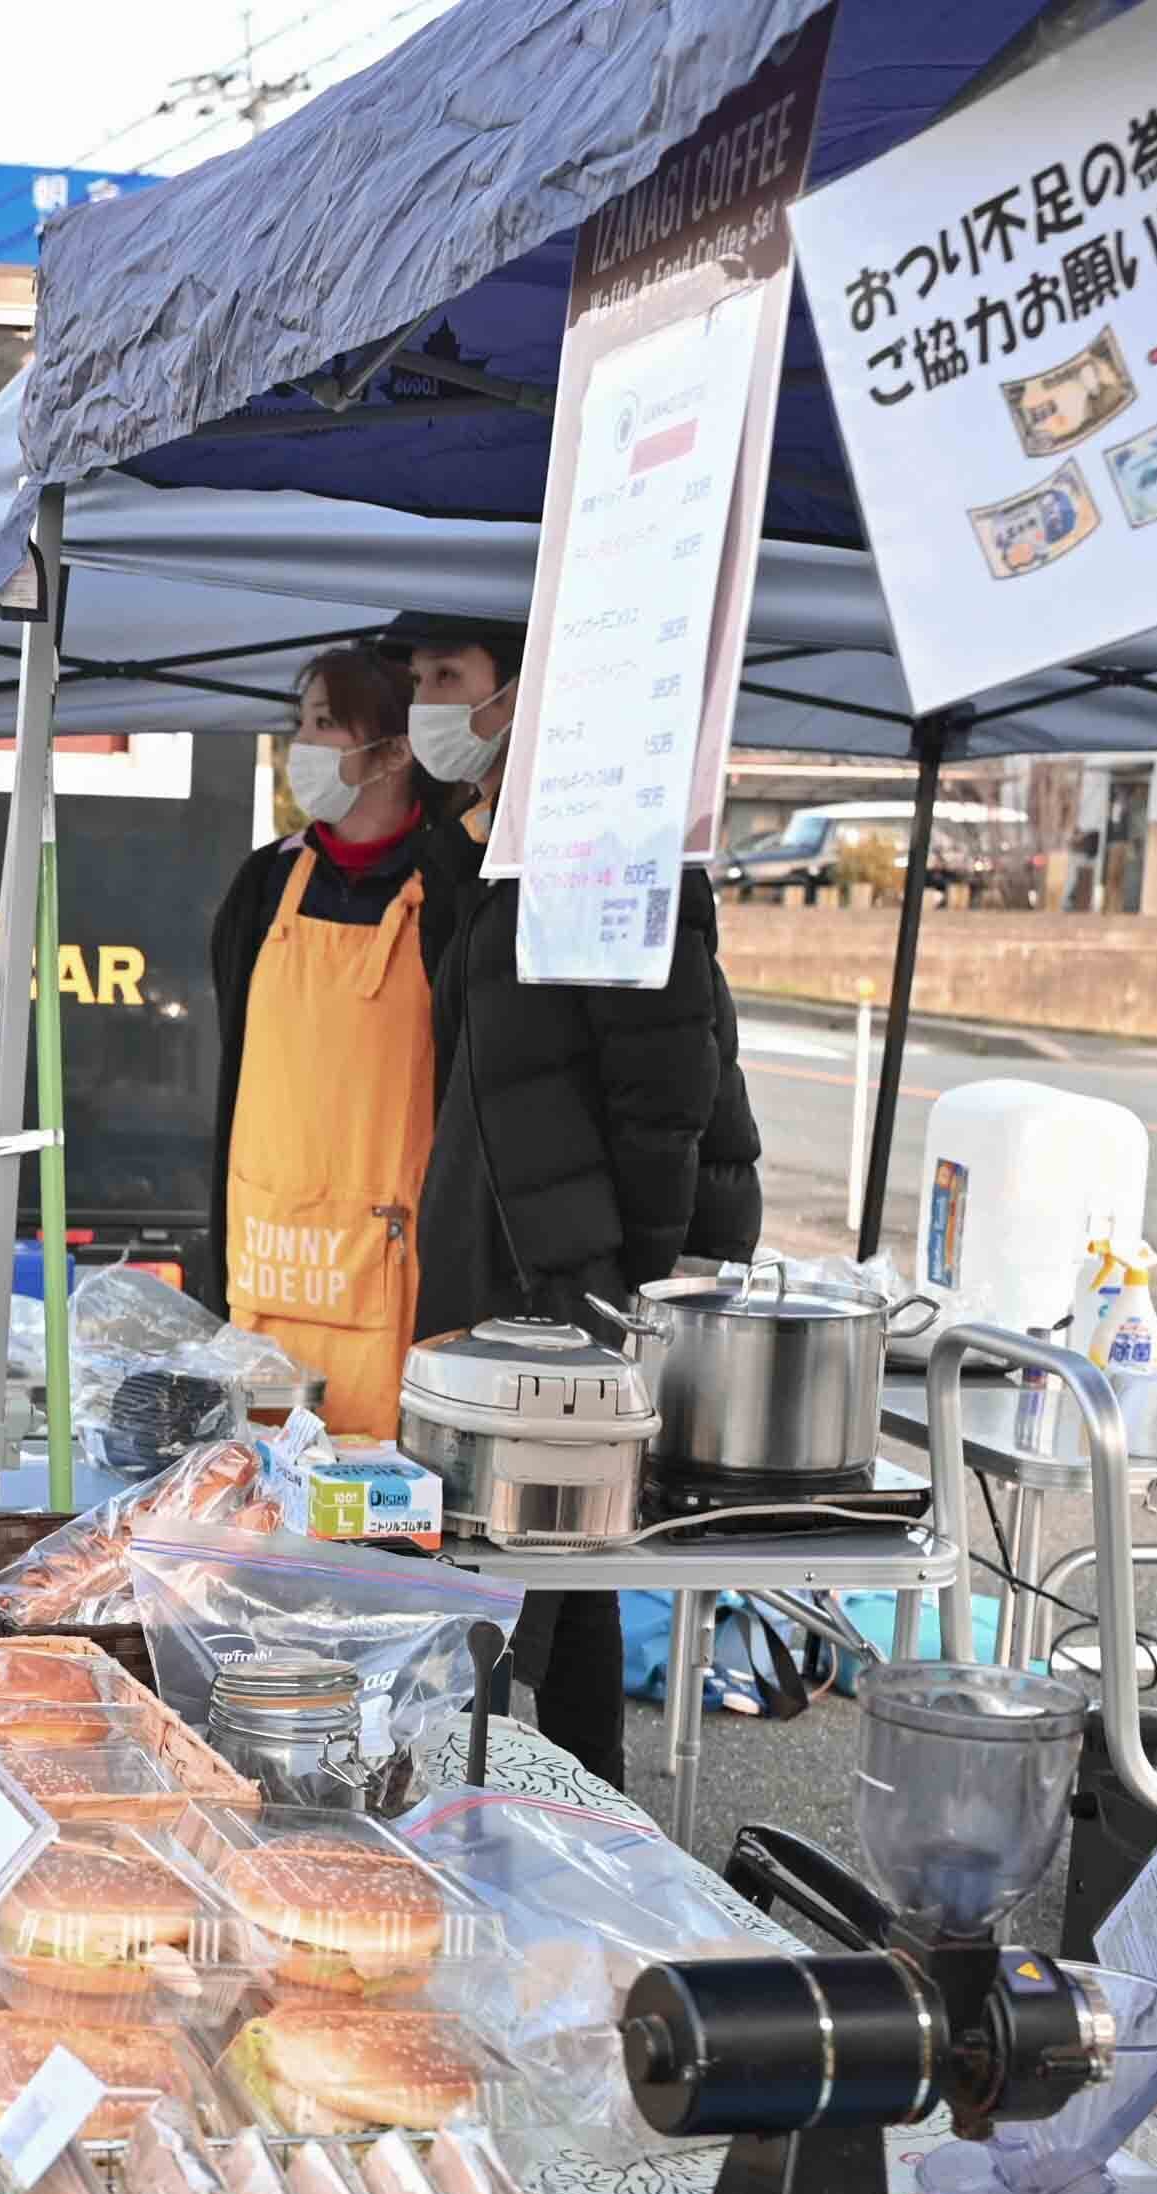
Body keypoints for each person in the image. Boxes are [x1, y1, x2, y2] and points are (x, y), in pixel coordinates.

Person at [389, 609, 764, 1786]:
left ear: (522, 694)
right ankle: (576, 1809)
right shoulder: (494, 850)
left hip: (566, 1297)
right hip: (505, 1278)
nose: (426, 703)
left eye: (448, 676)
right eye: (417, 679)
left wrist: (616, 1291)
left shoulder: (617, 847)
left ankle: (519, 1822)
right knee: (557, 1582)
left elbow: (670, 1093)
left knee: (521, 1603)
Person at [203, 642, 474, 1448]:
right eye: (302, 723)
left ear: (393, 753)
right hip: (267, 1253)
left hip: (394, 1270)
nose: (303, 745)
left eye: (324, 724)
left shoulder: (453, 890)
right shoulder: (264, 885)